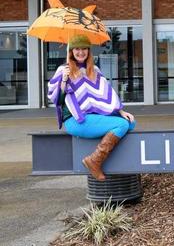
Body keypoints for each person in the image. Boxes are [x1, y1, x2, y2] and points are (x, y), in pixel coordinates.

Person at [47, 35, 135, 181]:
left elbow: (106, 93)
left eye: (84, 49)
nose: (80, 52)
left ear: (89, 51)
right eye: (77, 49)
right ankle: (95, 160)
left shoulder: (94, 70)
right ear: (71, 51)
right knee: (121, 124)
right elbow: (57, 99)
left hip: (92, 115)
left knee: (130, 122)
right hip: (76, 120)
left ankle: (99, 152)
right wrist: (63, 80)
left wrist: (121, 111)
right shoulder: (63, 70)